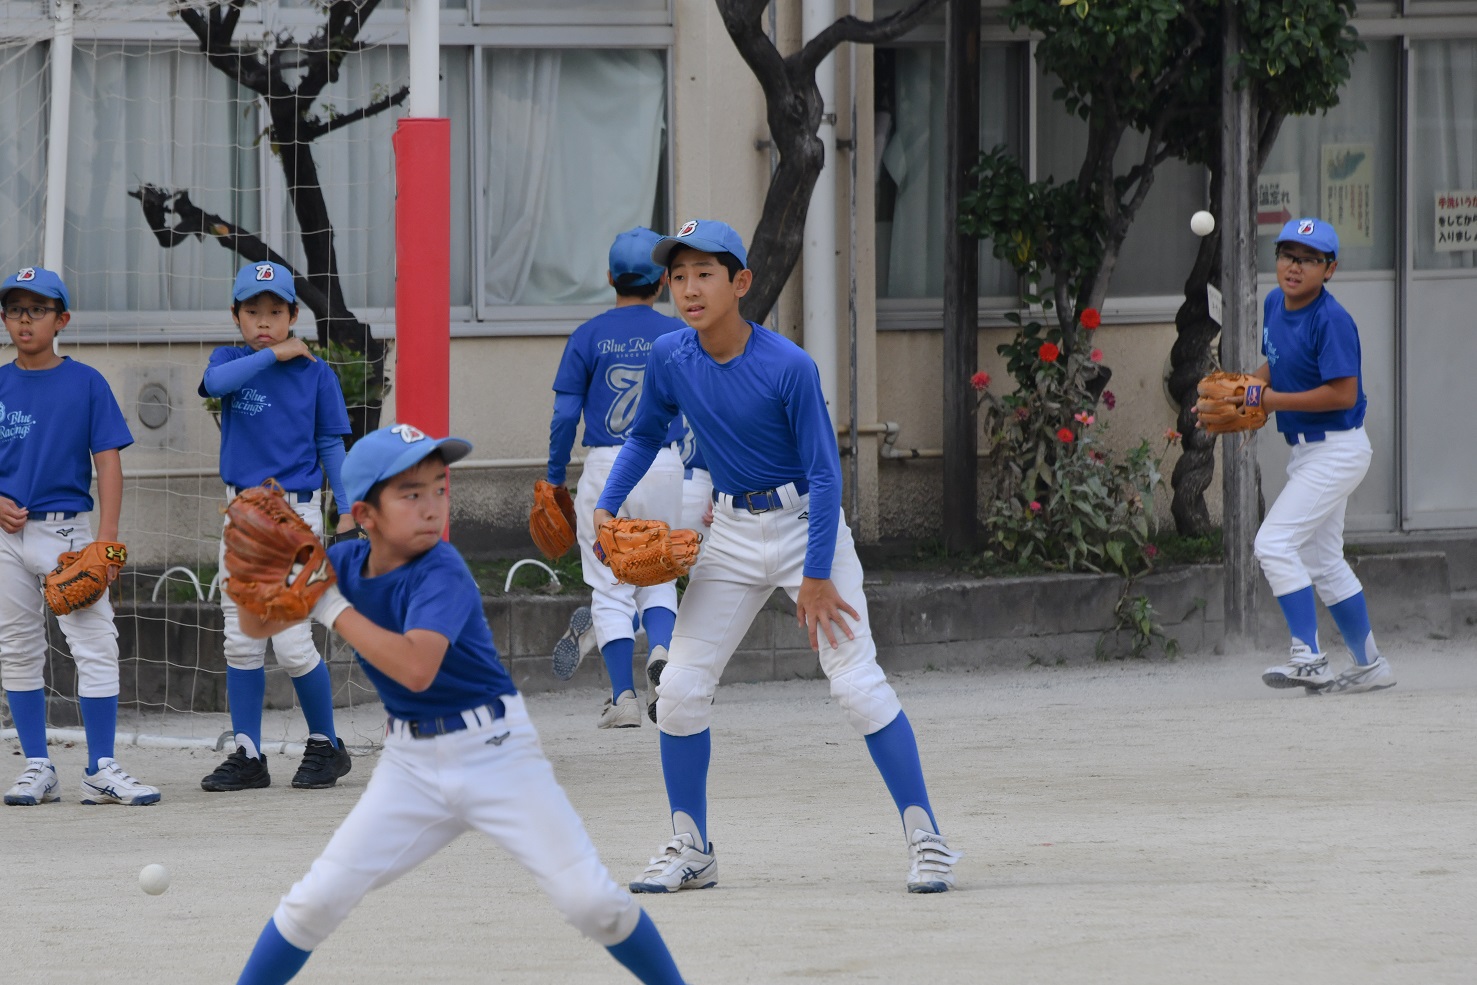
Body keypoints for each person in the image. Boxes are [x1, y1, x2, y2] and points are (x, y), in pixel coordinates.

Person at [233, 424, 689, 985]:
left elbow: (416, 668)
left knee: (592, 903)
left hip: (495, 752)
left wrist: (325, 604)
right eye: (411, 493)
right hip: (410, 766)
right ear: (364, 515)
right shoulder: (343, 565)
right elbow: (258, 624)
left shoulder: (440, 569)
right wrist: (256, 580)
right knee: (316, 901)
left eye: (438, 488)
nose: (432, 506)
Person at [593, 219, 961, 894]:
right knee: (676, 691)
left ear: (740, 283)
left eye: (705, 272)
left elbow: (826, 475)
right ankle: (691, 848)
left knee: (855, 684)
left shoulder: (788, 365)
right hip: (730, 533)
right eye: (677, 275)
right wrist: (605, 507)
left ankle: (927, 840)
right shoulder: (672, 358)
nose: (688, 287)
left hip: (804, 527)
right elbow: (645, 435)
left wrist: (816, 575)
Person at [0, 266, 160, 806]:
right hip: (5, 536)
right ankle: (38, 767)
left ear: (61, 319)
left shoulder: (86, 381)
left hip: (67, 533)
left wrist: (108, 543)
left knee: (95, 644)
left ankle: (101, 766)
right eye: (15, 308)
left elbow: (108, 463)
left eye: (38, 309)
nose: (25, 319)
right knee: (18, 649)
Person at [198, 261, 357, 792]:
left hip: (295, 516)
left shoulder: (316, 374)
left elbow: (330, 445)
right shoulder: (232, 360)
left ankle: (326, 745)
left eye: (276, 312)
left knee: (291, 644)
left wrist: (351, 508)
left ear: (293, 314)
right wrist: (272, 354)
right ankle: (247, 754)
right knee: (241, 641)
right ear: (237, 316)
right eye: (253, 312)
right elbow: (213, 383)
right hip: (242, 514)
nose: (264, 321)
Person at [1241, 218, 1394, 695]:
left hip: (1339, 449)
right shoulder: (1273, 303)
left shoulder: (1332, 319)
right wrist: (1249, 386)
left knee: (1273, 543)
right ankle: (1370, 664)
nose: (1294, 266)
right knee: (1323, 560)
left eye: (1309, 259)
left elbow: (1343, 394)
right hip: (1308, 454)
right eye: (1288, 255)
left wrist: (1270, 402)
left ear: (1329, 269)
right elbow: (1279, 360)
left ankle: (1308, 657)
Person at [546, 227, 686, 728]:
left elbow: (565, 416)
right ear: (664, 281)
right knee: (659, 572)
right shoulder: (679, 334)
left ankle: (623, 699)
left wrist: (554, 476)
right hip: (665, 464)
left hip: (607, 464)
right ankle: (663, 654)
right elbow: (702, 411)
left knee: (610, 585)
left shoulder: (588, 334)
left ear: (610, 278)